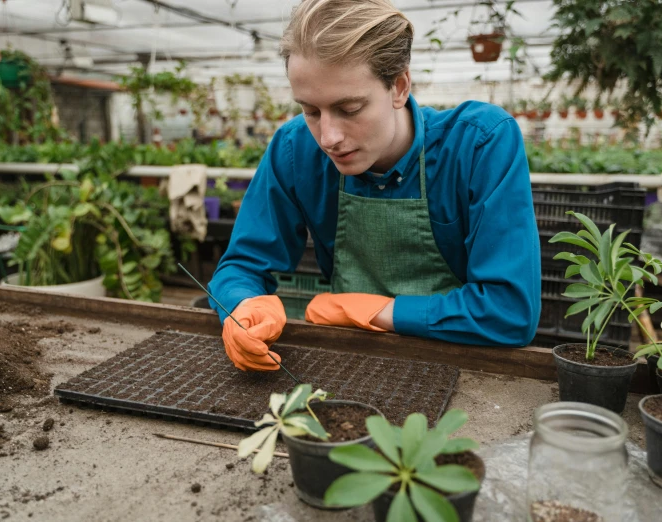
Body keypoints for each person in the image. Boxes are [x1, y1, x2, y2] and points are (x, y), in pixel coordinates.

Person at [208, 0, 541, 372]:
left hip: (462, 365)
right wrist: (243, 303)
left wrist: (380, 311)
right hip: (348, 362)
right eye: (311, 111)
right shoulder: (294, 148)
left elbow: (510, 311)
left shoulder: (478, 144)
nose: (328, 137)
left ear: (399, 87)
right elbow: (241, 265)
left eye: (349, 109)